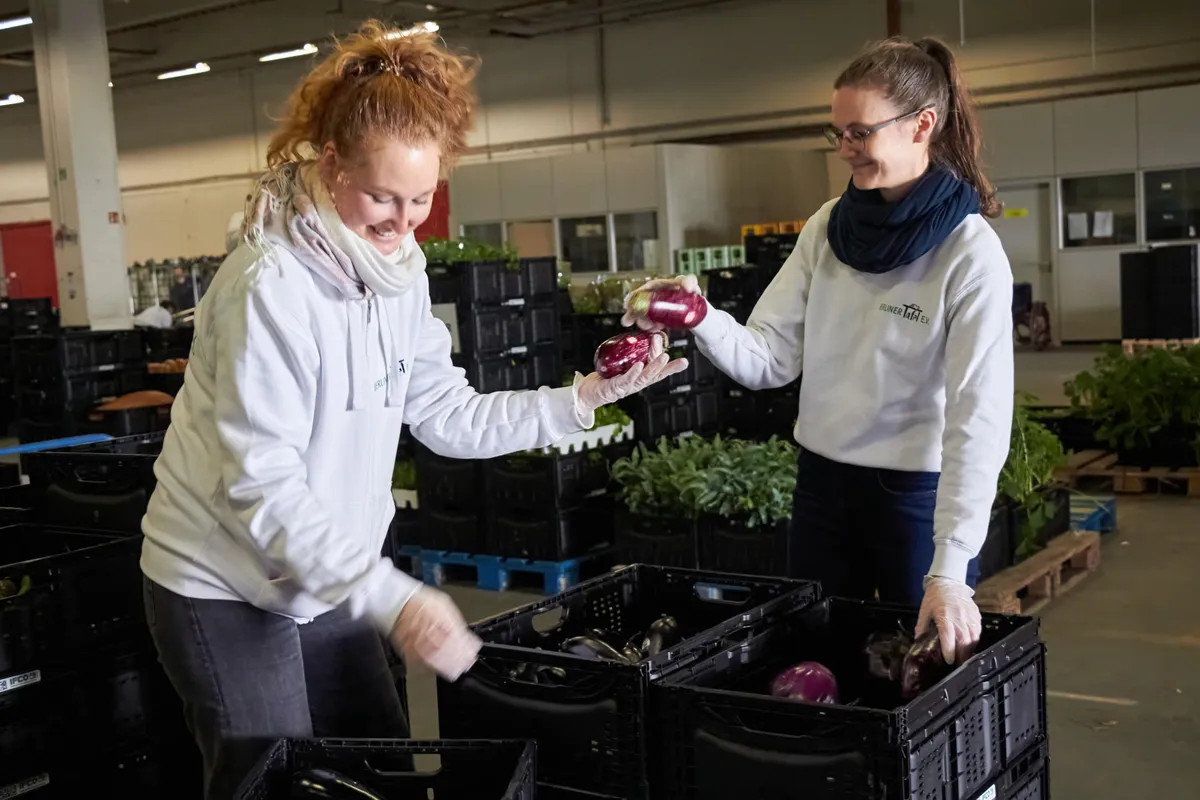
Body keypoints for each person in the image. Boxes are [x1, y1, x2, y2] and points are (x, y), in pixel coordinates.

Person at [138, 21, 686, 799]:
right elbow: (260, 485)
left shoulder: (397, 269)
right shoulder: (270, 288)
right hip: (222, 578)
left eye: (421, 199)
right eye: (381, 198)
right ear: (330, 166)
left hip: (327, 571)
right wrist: (395, 596)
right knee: (272, 779)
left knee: (380, 764)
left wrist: (579, 400)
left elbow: (444, 414)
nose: (402, 222)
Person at [624, 37, 1013, 666]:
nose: (846, 149)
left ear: (923, 125)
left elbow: (980, 418)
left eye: (860, 131)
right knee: (820, 660)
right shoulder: (827, 228)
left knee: (917, 676)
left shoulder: (969, 255)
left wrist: (950, 570)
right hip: (822, 491)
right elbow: (768, 360)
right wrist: (699, 317)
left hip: (912, 498)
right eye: (837, 133)